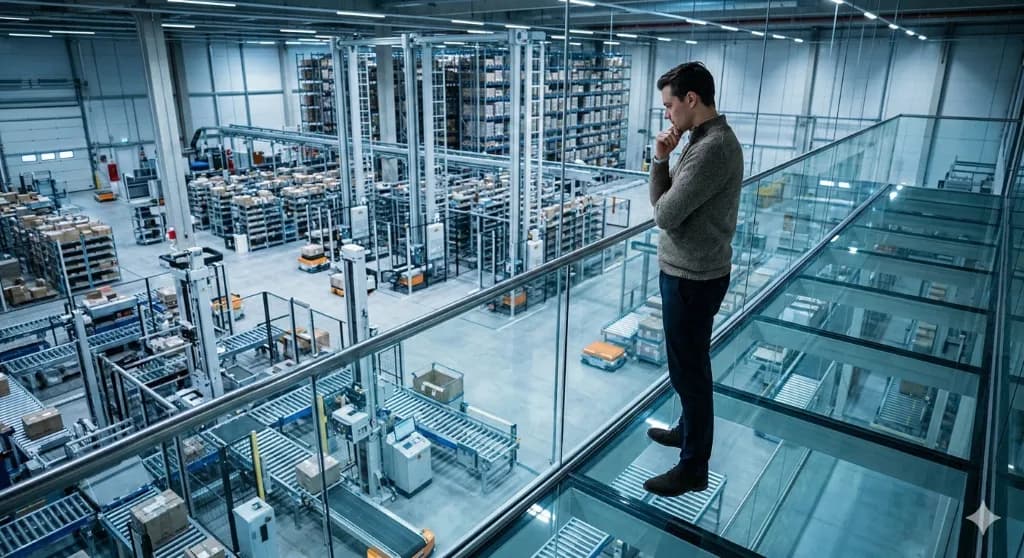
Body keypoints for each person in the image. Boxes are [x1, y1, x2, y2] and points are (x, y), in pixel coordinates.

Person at [643, 62, 743, 497]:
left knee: (690, 372)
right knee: (686, 367)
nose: (667, 115)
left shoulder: (710, 149)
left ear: (691, 100)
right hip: (690, 272)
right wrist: (662, 162)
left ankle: (693, 466)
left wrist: (662, 159)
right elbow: (661, 202)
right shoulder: (701, 140)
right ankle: (688, 431)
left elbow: (663, 214)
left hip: (693, 278)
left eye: (669, 105)